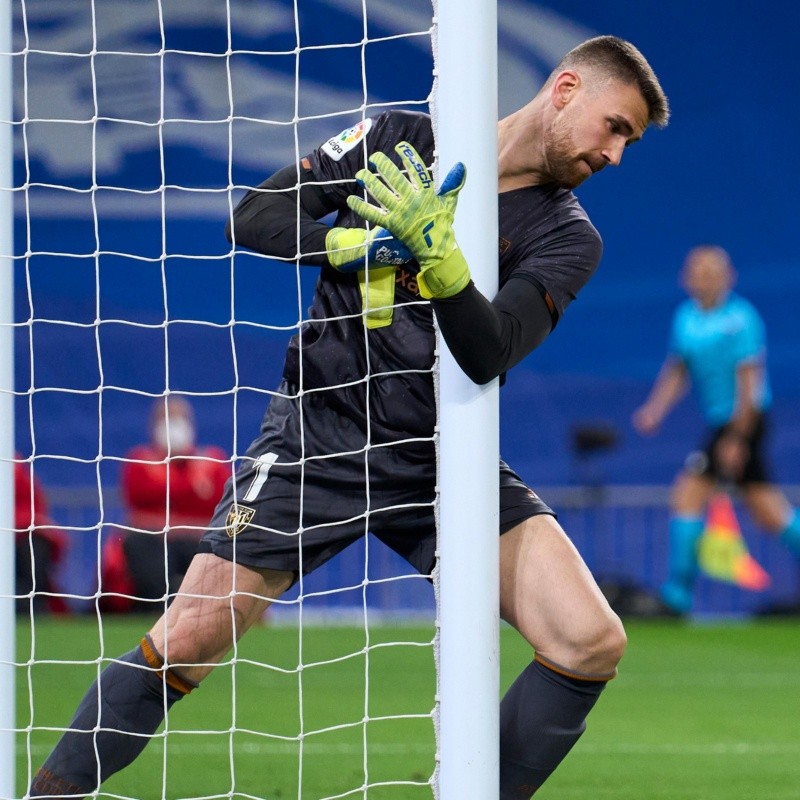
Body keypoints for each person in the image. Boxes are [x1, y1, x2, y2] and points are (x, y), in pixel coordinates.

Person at [30, 35, 669, 799]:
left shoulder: (569, 237)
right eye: (616, 126)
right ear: (566, 89)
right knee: (188, 637)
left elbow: (490, 350)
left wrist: (444, 266)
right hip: (319, 433)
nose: (617, 155)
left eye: (627, 138)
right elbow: (254, 218)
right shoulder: (400, 139)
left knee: (589, 639)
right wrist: (350, 244)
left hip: (444, 458)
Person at [632, 245, 800, 616]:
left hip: (746, 420)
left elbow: (750, 384)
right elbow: (678, 369)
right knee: (768, 511)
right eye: (697, 271)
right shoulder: (686, 317)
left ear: (728, 277)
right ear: (686, 277)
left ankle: (676, 595)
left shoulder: (741, 319)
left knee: (688, 495)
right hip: (720, 423)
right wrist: (655, 409)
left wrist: (738, 438)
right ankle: (677, 593)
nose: (703, 277)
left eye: (711, 271)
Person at [101, 396, 231, 612]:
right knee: (142, 548)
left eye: (180, 418)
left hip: (198, 542)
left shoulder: (213, 461)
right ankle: (159, 613)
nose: (174, 424)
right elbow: (139, 500)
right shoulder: (138, 460)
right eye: (166, 418)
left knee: (218, 546)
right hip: (153, 541)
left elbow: (220, 502)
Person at [14, 455, 69, 615]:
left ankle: (35, 607)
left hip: (21, 534)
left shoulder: (15, 466)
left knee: (35, 545)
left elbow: (34, 505)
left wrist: (20, 523)